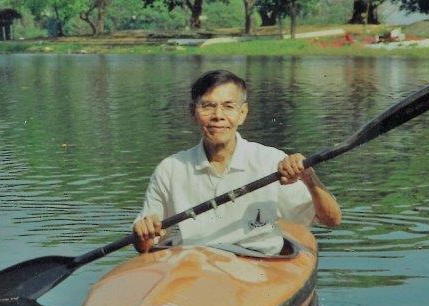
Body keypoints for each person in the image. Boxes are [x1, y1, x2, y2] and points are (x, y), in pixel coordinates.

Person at [132, 70, 341, 254]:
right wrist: (143, 233)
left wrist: (308, 175)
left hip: (257, 265)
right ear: (193, 113)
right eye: (208, 106)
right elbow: (146, 246)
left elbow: (331, 220)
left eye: (228, 106)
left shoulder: (271, 161)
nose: (218, 116)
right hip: (194, 266)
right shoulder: (170, 169)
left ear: (242, 114)